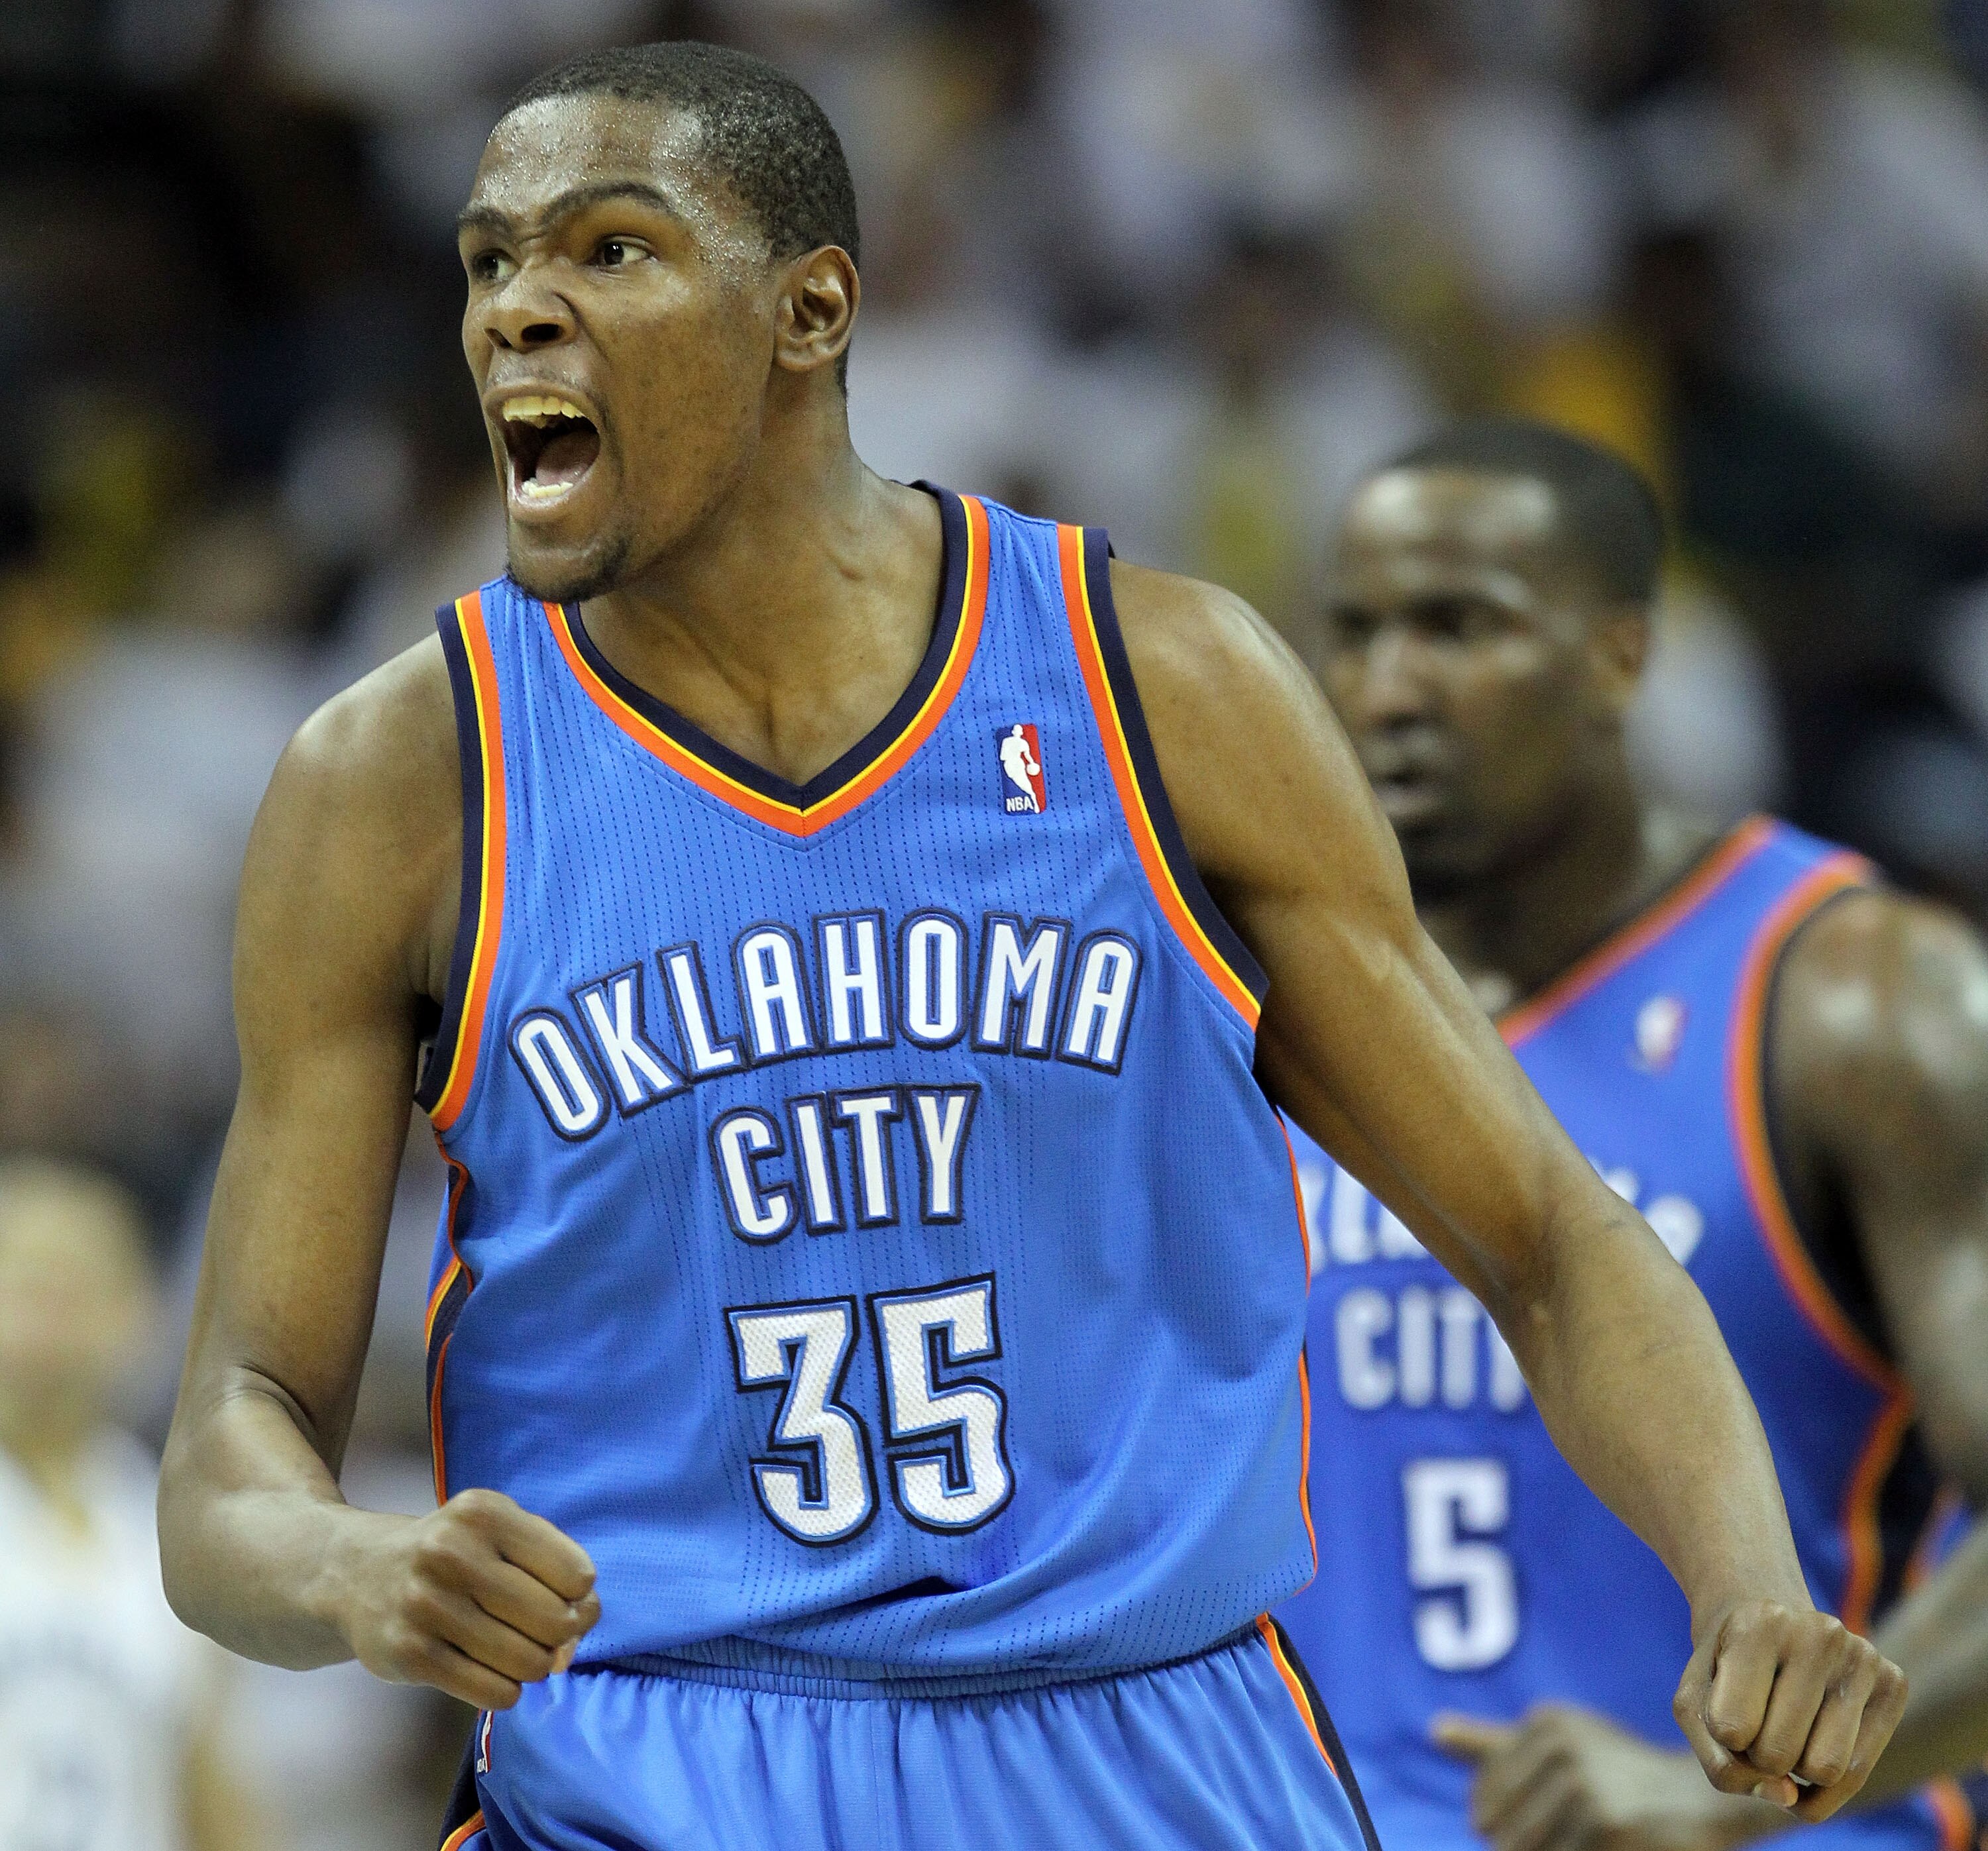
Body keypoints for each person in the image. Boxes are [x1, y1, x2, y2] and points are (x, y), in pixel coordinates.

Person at [158, 43, 1905, 1851]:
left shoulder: (1164, 688)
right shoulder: (396, 782)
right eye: (488, 262)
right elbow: (236, 1424)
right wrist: (348, 1564)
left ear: (811, 311)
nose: (520, 309)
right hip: (652, 1767)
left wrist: (1750, 1580)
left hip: (1153, 1752)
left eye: (609, 251)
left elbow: (1546, 1237)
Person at [1274, 419, 1988, 1851]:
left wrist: (1721, 1794)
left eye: (1459, 626)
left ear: (1620, 653)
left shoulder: (1860, 1001)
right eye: (1354, 633)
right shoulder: (1250, 1001)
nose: (1389, 686)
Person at [0, 1155, 260, 1851]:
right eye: (26, 1284)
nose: (49, 1318)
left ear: (136, 1312)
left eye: (75, 1288)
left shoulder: (160, 1516)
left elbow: (209, 1785)